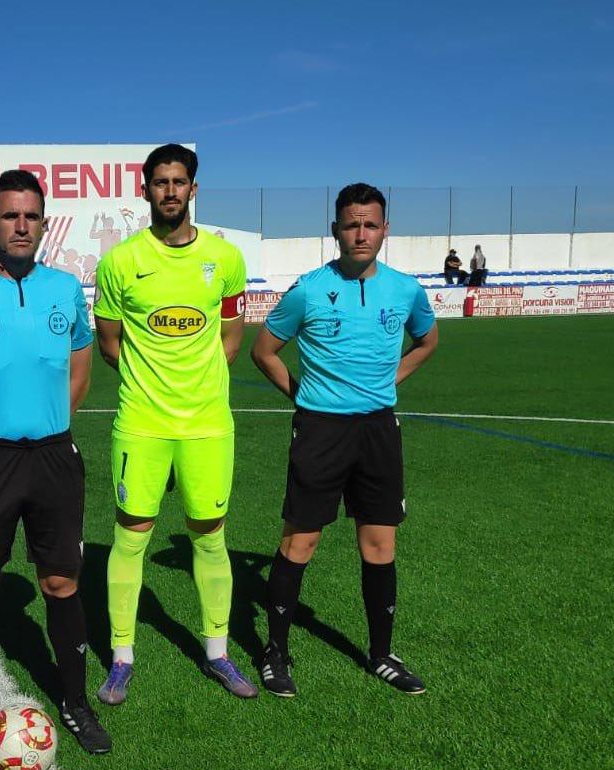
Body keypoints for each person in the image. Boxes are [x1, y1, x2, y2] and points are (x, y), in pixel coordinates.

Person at [0, 170, 112, 762]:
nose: (21, 226)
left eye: (31, 216)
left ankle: (75, 702)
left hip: (54, 458)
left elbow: (80, 367)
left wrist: (52, 424)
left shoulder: (65, 289)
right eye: (10, 216)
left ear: (43, 223)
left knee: (61, 583)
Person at [250, 183, 439, 698]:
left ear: (385, 230)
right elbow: (264, 351)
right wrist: (302, 397)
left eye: (370, 224)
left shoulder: (405, 290)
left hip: (378, 430)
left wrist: (389, 382)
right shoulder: (309, 290)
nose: (361, 234)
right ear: (335, 229)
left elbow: (427, 341)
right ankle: (275, 653)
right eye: (352, 224)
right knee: (300, 541)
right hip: (321, 430)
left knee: (379, 544)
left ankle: (382, 655)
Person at [92, 143, 256, 705]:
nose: (169, 191)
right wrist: (154, 386)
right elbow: (109, 344)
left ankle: (218, 652)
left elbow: (231, 336)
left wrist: (197, 386)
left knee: (210, 537)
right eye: (159, 182)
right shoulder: (119, 262)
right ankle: (121, 657)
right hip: (141, 424)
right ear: (146, 190)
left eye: (178, 181)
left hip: (207, 425)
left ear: (193, 189)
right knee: (130, 536)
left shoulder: (225, 259)